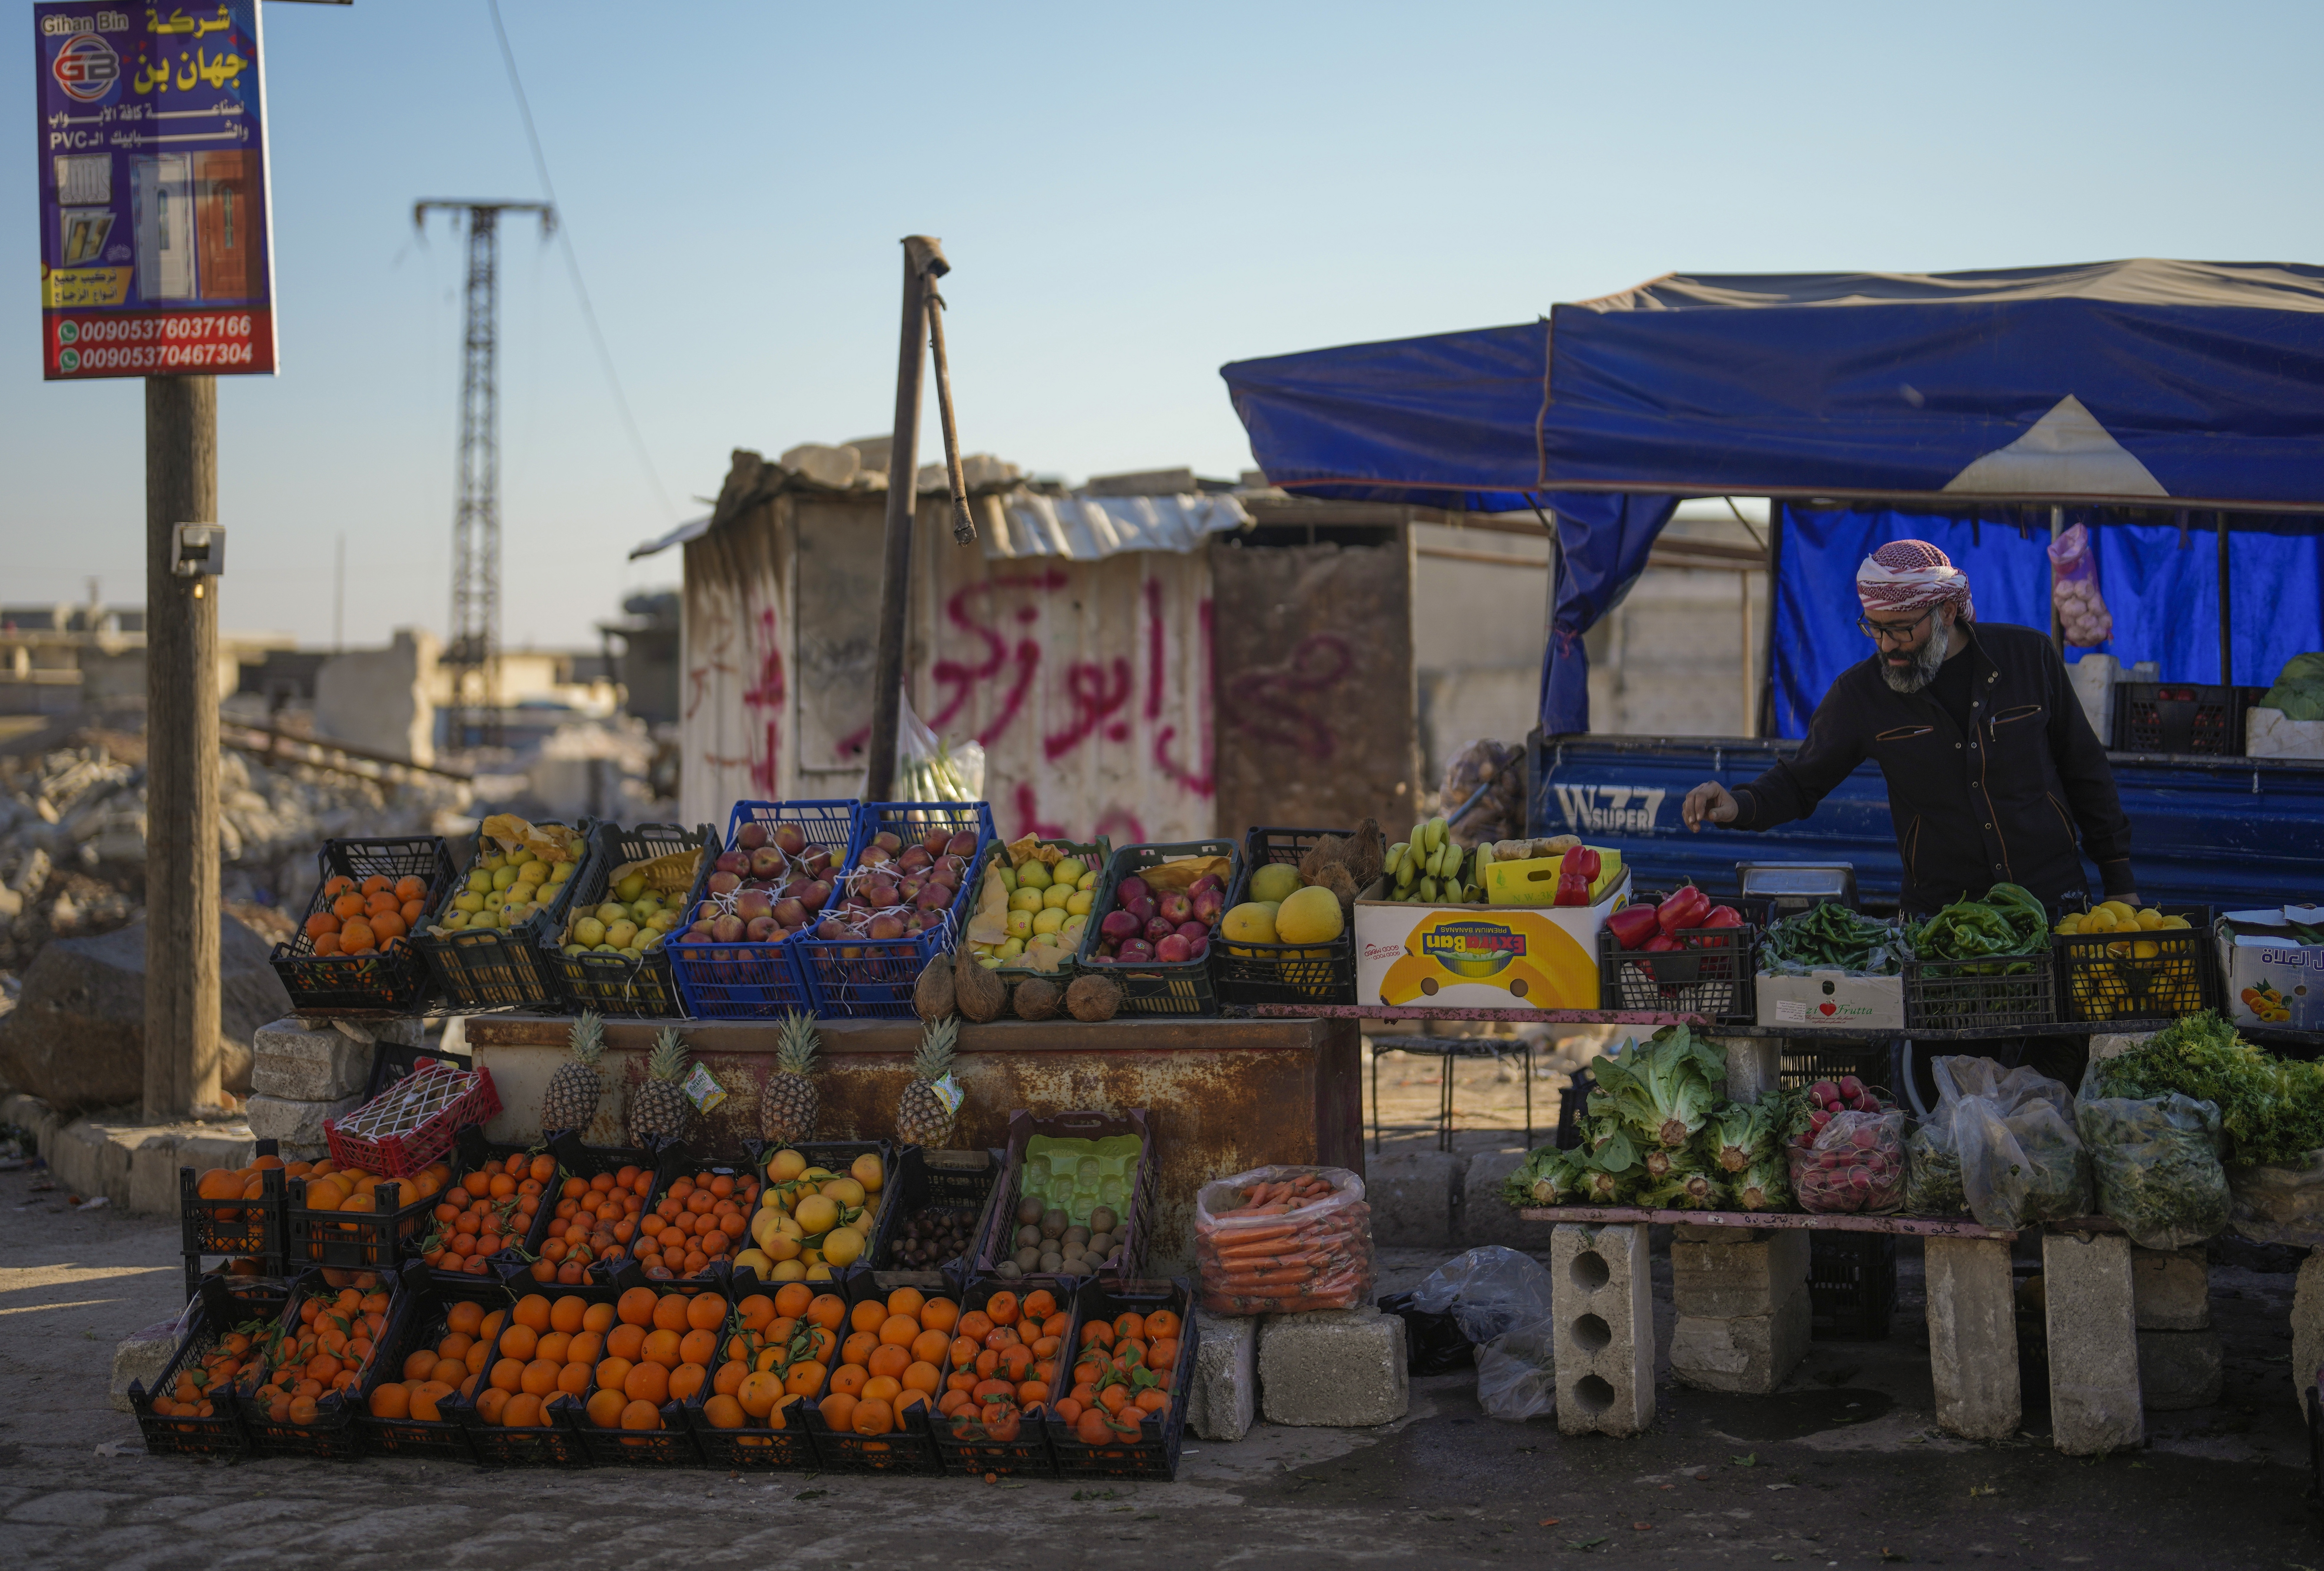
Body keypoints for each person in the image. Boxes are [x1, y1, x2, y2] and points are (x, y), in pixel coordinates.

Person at [1681, 538, 2136, 917]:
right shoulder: (1861, 694)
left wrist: (2119, 882)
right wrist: (1739, 805)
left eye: (1900, 629)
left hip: (2052, 904)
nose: (1886, 645)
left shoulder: (2028, 657)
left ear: (1945, 612)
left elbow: (2084, 770)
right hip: (1942, 922)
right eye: (1875, 629)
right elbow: (1800, 782)